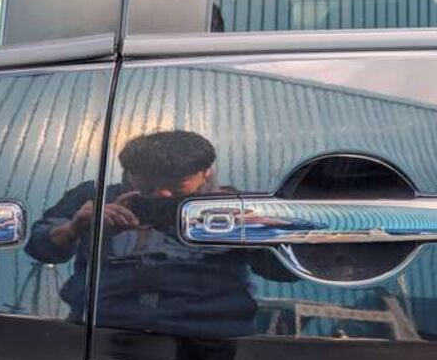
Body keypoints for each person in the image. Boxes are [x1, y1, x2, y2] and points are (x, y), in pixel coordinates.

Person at [25, 129, 294, 338]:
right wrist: (75, 228)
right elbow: (39, 246)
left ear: (206, 173)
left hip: (210, 340)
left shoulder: (239, 208)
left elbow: (284, 271)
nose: (161, 195)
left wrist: (254, 231)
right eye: (147, 187)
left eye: (176, 186)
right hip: (100, 333)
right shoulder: (93, 198)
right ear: (128, 173)